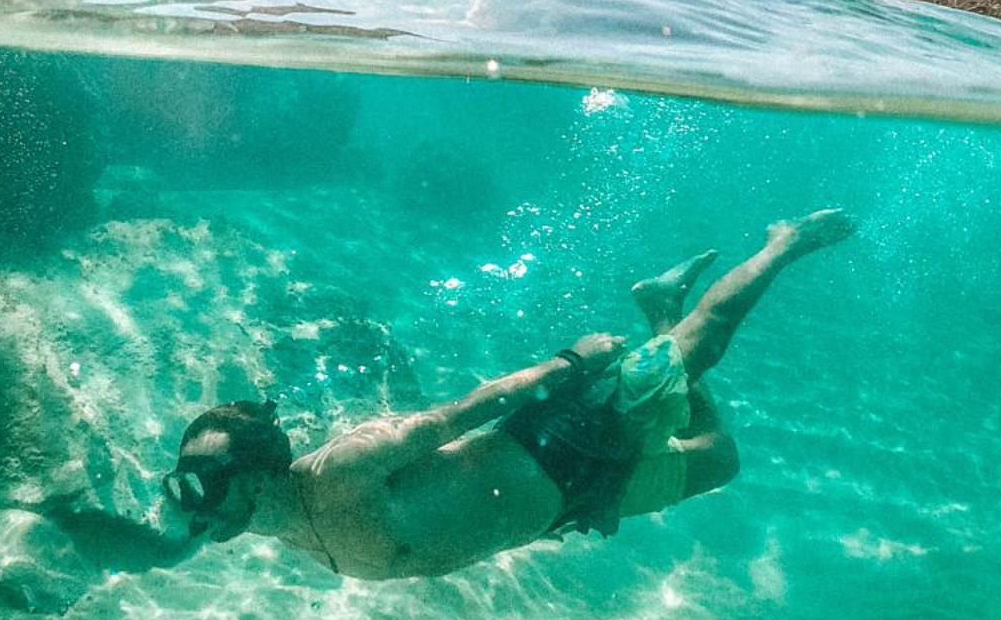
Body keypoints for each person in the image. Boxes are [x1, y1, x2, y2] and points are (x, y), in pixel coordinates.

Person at [157, 209, 855, 579]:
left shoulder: (340, 473)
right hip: (565, 503)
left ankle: (782, 244)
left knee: (708, 340)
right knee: (722, 458)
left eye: (203, 479)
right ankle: (660, 310)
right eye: (186, 482)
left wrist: (565, 364)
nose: (191, 501)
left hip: (560, 437)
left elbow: (461, 413)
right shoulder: (276, 527)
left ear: (255, 474)